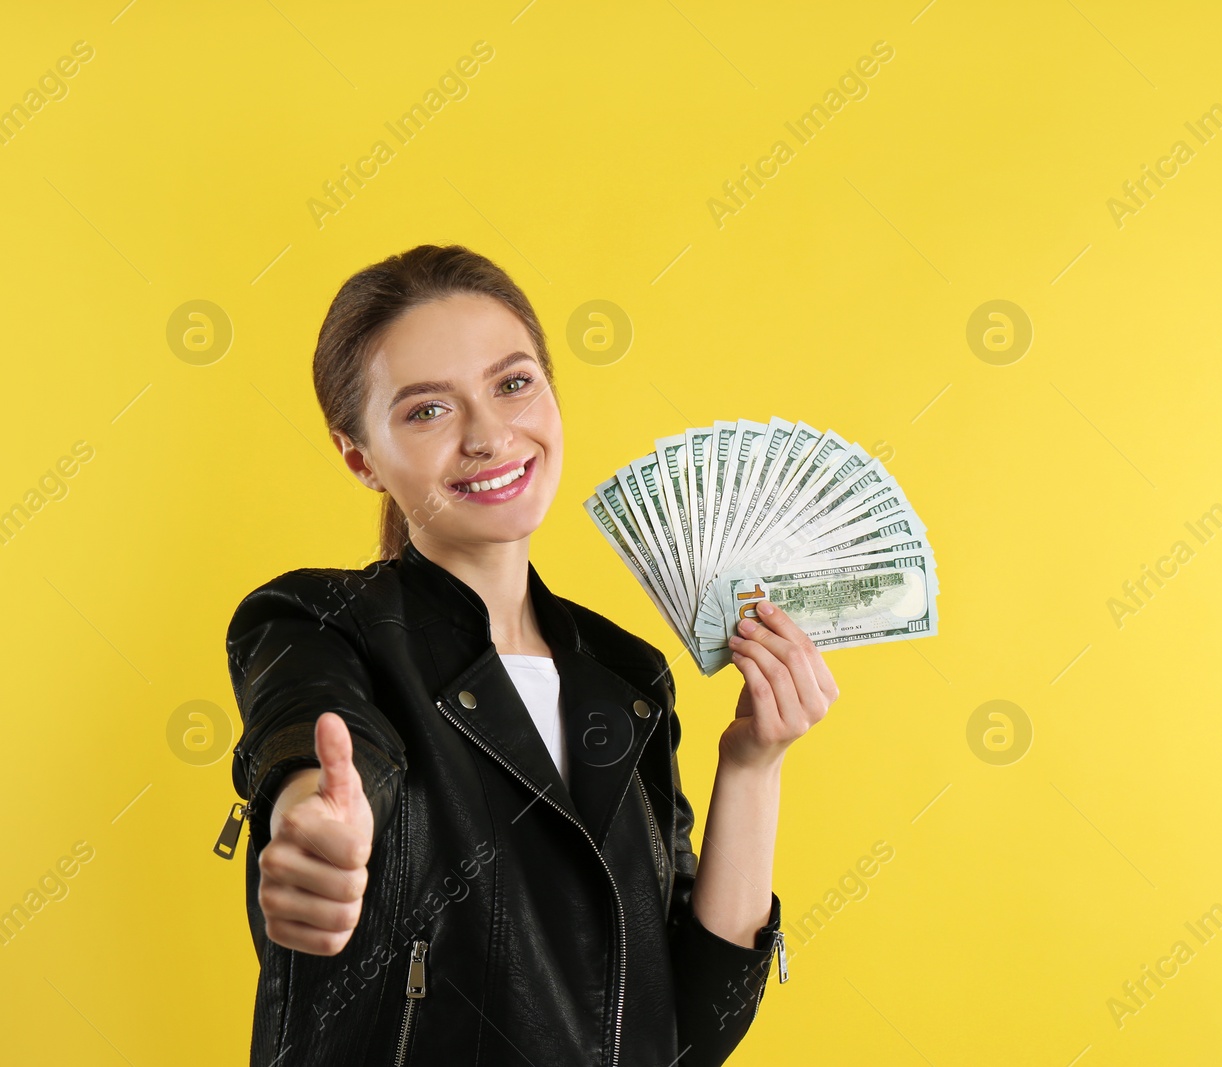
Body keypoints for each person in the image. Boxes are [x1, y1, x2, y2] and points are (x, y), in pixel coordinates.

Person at [224, 243, 839, 1065]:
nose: (489, 434)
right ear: (359, 456)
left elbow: (692, 1028)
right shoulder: (321, 620)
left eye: (513, 383)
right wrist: (310, 823)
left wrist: (755, 764)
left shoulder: (629, 676)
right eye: (426, 410)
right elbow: (313, 738)